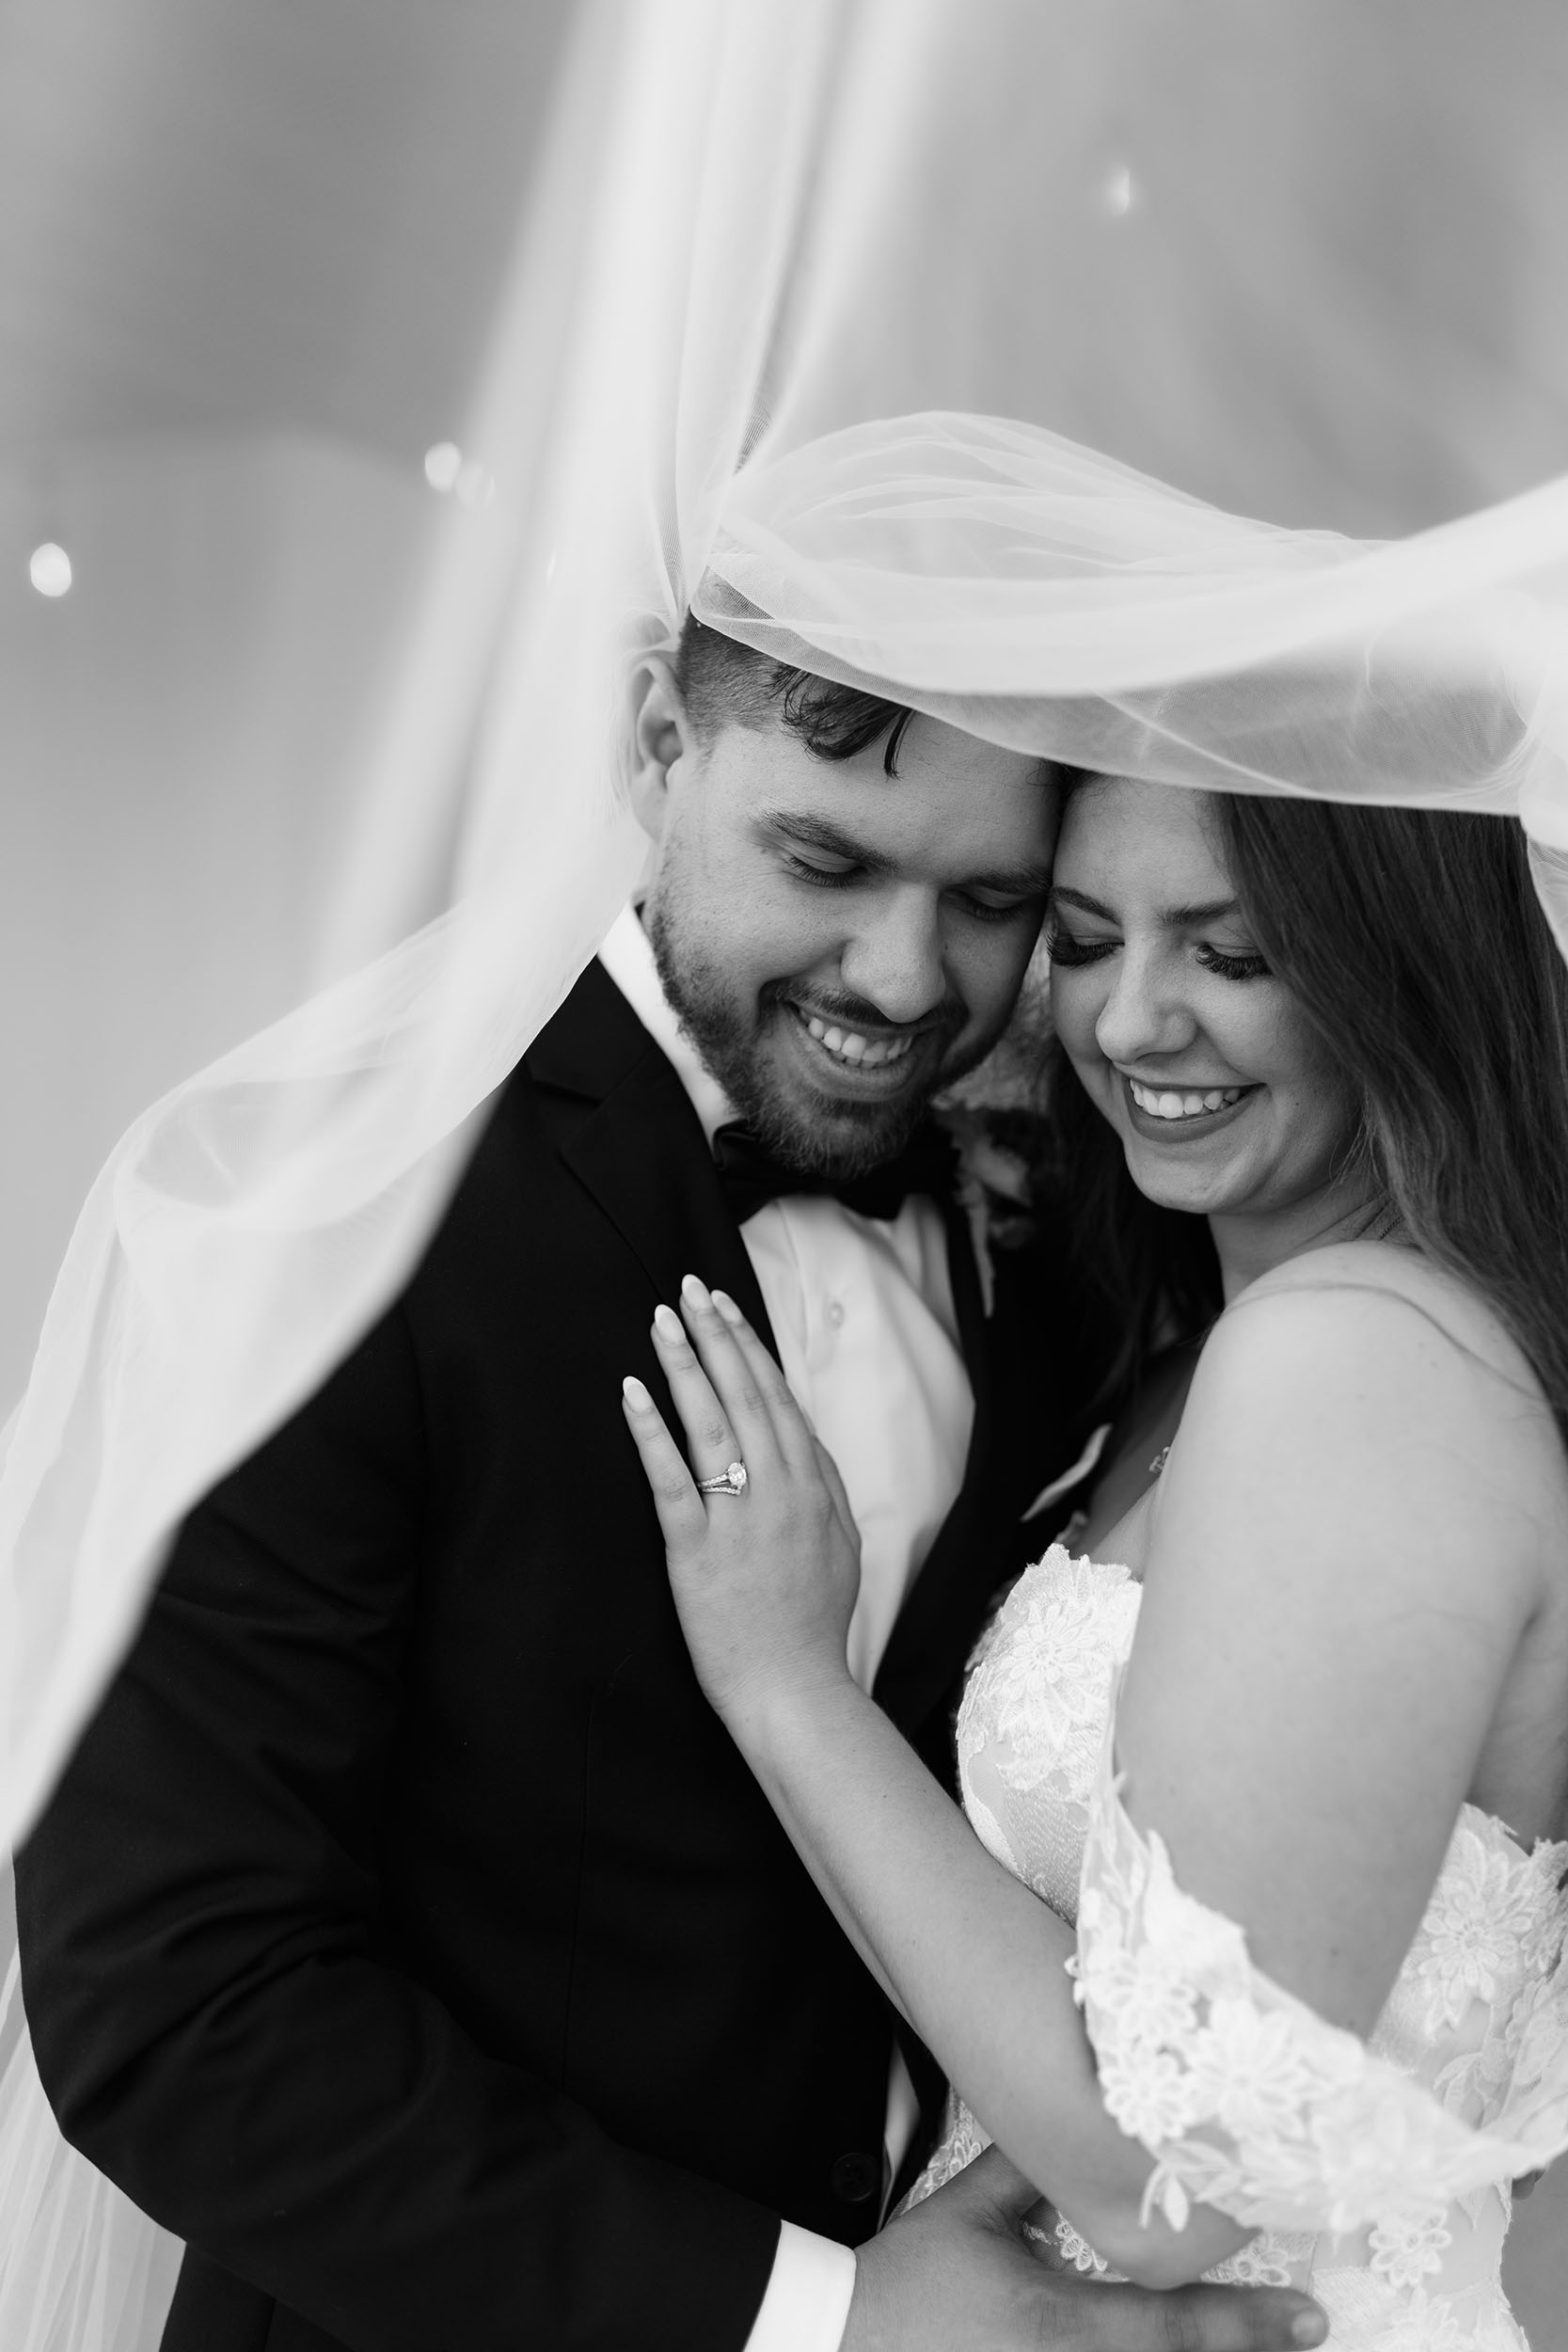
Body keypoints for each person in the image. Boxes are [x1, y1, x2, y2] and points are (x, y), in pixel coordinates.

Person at [13, 625, 1330, 2352]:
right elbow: (179, 2007)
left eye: (997, 901)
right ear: (656, 740)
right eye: (825, 860)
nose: (905, 980)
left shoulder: (1083, 1217)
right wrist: (822, 2325)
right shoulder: (332, 1216)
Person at [626, 769, 1568, 2350]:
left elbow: (1174, 2175)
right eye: (1080, 937)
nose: (1130, 1022)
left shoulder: (1362, 1368)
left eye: (1233, 956)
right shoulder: (1194, 1355)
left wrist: (787, 1682)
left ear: (1399, 969)